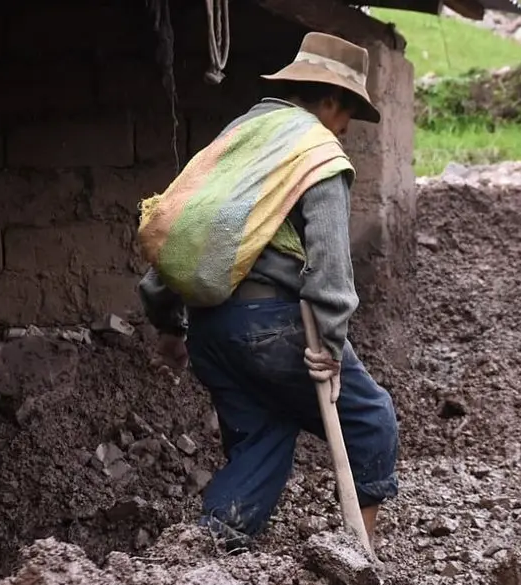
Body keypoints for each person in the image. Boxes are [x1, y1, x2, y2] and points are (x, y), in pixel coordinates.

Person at [137, 32, 399, 551]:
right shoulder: (316, 149)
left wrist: (169, 324)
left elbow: (189, 228)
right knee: (371, 420)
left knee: (262, 439)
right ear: (329, 101)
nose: (344, 129)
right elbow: (329, 263)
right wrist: (328, 343)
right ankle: (361, 556)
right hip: (274, 325)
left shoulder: (239, 137)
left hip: (211, 330)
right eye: (346, 116)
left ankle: (198, 558)